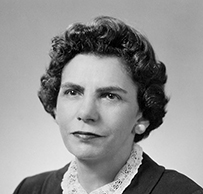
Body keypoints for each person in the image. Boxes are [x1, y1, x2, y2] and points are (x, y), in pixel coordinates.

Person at [13, 16, 203, 194]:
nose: (86, 113)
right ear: (55, 107)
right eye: (73, 92)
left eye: (109, 96)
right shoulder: (30, 189)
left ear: (143, 115)